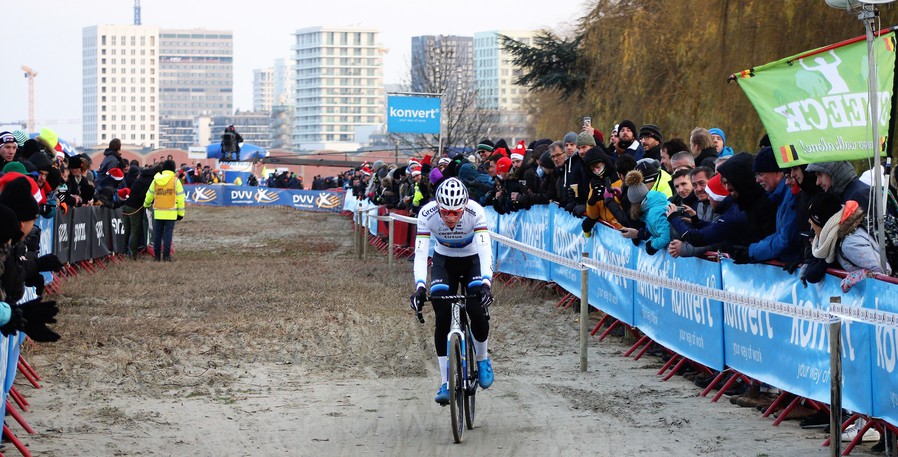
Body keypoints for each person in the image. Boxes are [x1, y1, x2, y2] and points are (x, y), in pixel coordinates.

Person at [410, 178, 494, 404]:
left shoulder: (476, 212)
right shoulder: (427, 214)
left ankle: (483, 358)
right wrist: (419, 286)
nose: (450, 218)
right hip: (443, 261)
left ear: (464, 207)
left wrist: (486, 283)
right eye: (445, 212)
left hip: (472, 260)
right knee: (442, 315)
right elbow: (420, 253)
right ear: (438, 206)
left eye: (456, 213)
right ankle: (446, 381)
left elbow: (485, 250)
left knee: (476, 308)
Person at [143, 160, 185, 261]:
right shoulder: (175, 181)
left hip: (158, 211)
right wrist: (180, 213)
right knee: (167, 235)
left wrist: (146, 204)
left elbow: (149, 194)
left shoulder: (156, 180)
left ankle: (157, 256)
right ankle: (166, 256)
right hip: (171, 212)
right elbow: (180, 198)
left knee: (157, 235)